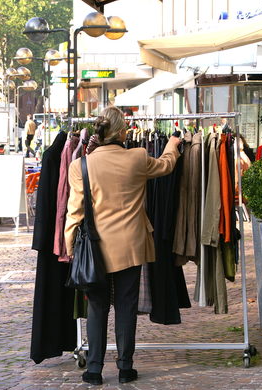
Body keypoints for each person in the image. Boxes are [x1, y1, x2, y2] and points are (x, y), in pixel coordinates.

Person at [64, 106, 181, 386]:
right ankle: (125, 369)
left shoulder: (81, 165)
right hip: (131, 245)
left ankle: (94, 370)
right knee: (126, 308)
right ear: (120, 132)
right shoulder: (137, 158)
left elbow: (75, 211)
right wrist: (173, 145)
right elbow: (166, 165)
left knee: (97, 308)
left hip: (95, 249)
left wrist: (69, 246)